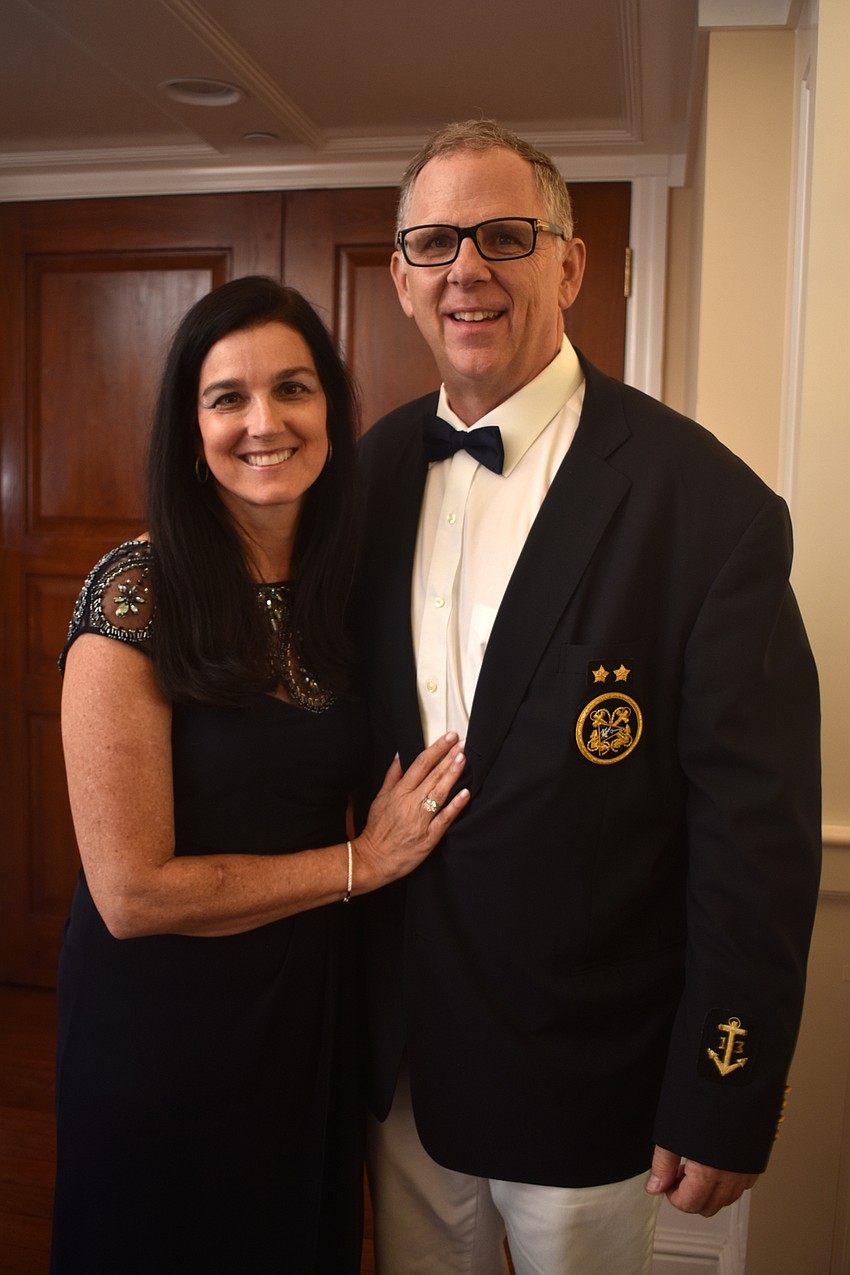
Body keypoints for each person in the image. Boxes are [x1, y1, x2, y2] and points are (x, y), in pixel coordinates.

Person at [356, 120, 821, 1275]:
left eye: (502, 237)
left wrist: (725, 1085)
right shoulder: (357, 480)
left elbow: (752, 840)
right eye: (434, 242)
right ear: (405, 280)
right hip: (397, 1067)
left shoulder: (708, 509)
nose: (466, 267)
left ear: (567, 265)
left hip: (590, 1079)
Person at [50, 275, 470, 1275]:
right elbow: (130, 892)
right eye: (226, 396)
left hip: (303, 1012)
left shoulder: (337, 591)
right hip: (164, 1024)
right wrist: (360, 865)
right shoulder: (136, 594)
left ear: (330, 409)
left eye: (292, 389)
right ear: (189, 431)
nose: (263, 421)